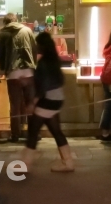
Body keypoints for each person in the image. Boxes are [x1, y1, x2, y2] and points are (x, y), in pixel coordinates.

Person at [23, 31, 74, 172]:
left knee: (33, 131)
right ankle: (68, 162)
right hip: (57, 99)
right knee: (56, 131)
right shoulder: (54, 61)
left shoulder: (42, 63)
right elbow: (60, 80)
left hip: (47, 100)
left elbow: (42, 86)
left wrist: (33, 102)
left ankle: (25, 164)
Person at [0, 13, 36, 143]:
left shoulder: (3, 33)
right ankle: (32, 134)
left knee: (15, 105)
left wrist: (3, 68)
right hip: (28, 71)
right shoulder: (27, 30)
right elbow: (34, 49)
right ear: (16, 20)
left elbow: (1, 53)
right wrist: (33, 65)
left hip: (13, 72)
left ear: (5, 22)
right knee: (30, 104)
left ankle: (15, 134)